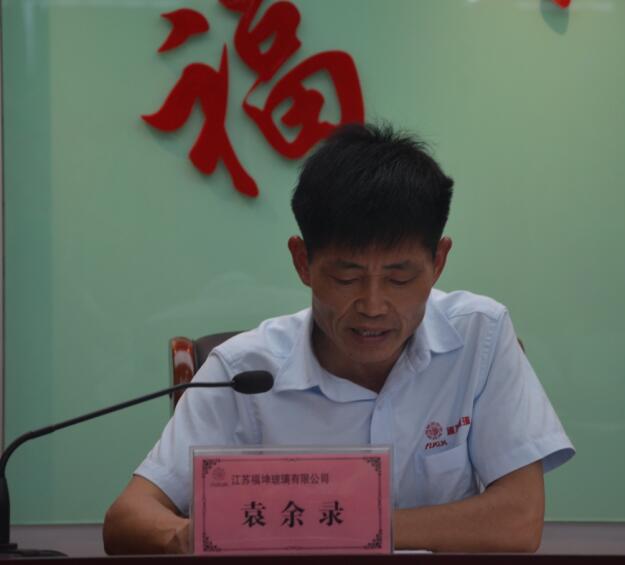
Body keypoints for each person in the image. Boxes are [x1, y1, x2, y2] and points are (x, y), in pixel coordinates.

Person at [103, 123, 574, 554]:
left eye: (399, 277)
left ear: (438, 262)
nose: (373, 305)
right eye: (347, 278)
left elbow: (518, 521)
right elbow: (127, 519)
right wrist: (188, 536)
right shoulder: (241, 371)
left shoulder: (479, 337)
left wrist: (330, 527)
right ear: (302, 262)